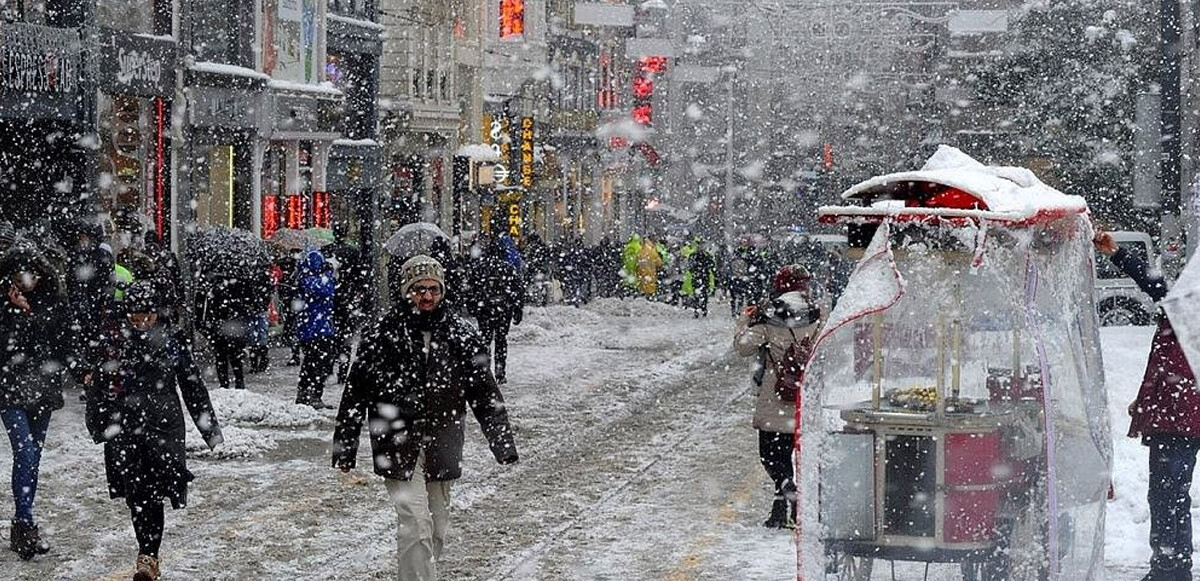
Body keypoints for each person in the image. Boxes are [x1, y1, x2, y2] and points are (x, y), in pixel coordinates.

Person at [332, 255, 518, 580]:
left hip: (442, 444)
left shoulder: (460, 336)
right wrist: (344, 447)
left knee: (437, 528)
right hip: (396, 442)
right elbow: (355, 393)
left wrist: (502, 443)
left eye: (433, 289)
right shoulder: (381, 335)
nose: (427, 297)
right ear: (406, 291)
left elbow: (485, 394)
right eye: (419, 289)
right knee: (415, 525)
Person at [85, 281, 223, 581]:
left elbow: (192, 385)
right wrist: (98, 423)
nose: (141, 323)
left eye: (146, 316)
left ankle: (148, 556)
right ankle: (147, 553)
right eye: (134, 317)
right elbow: (97, 384)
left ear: (157, 313)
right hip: (124, 425)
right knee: (136, 494)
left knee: (153, 490)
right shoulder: (116, 342)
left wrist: (209, 431)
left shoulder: (173, 340)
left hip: (164, 426)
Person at [1096, 230, 1196, 581]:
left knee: (1167, 495)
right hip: (1175, 415)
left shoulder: (1188, 310)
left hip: (1180, 421)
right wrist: (1147, 400)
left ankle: (1169, 568)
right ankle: (1172, 566)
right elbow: (1171, 362)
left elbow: (1155, 286)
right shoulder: (1184, 309)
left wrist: (1118, 254)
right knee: (1170, 495)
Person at [732, 264, 822, 529]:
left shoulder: (770, 315)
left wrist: (743, 321)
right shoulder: (816, 313)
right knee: (785, 453)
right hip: (801, 394)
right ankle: (782, 510)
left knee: (769, 455)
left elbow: (743, 347)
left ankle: (788, 491)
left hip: (774, 391)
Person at [0, 243, 66, 559]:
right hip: (10, 390)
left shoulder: (51, 302)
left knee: (33, 458)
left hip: (42, 389)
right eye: (19, 274)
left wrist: (29, 313)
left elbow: (58, 342)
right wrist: (14, 313)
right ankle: (23, 523)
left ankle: (24, 523)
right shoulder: (3, 306)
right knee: (25, 452)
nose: (26, 280)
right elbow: (8, 349)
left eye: (31, 274)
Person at [465, 238, 525, 384]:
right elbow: (518, 290)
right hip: (503, 310)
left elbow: (470, 289)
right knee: (501, 340)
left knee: (484, 339)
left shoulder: (480, 268)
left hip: (484, 309)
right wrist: (517, 309)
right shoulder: (508, 268)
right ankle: (500, 371)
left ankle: (484, 370)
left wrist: (473, 306)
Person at [294, 248, 338, 408]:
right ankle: (312, 395)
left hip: (315, 328)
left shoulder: (304, 279)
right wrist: (329, 274)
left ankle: (306, 394)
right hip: (317, 329)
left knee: (312, 363)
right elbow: (327, 290)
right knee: (319, 364)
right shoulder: (311, 281)